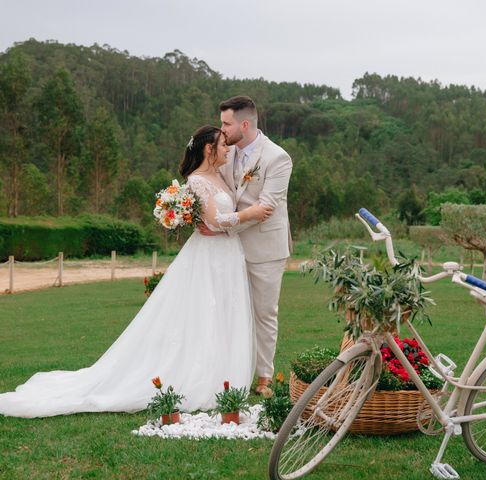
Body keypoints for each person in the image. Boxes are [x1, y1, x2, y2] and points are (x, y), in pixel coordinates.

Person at [0, 126, 272, 418]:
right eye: (223, 145)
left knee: (224, 314)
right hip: (209, 257)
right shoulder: (196, 181)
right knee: (204, 312)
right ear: (209, 149)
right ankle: (201, 377)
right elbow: (216, 222)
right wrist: (250, 213)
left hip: (228, 256)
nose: (228, 149)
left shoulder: (219, 176)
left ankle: (224, 376)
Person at [199, 96, 292, 394]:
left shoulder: (277, 158)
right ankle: (229, 373)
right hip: (227, 249)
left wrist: (224, 225)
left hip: (265, 248)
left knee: (264, 313)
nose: (222, 130)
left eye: (226, 124)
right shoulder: (225, 154)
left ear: (245, 124)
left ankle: (264, 377)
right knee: (229, 311)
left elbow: (266, 208)